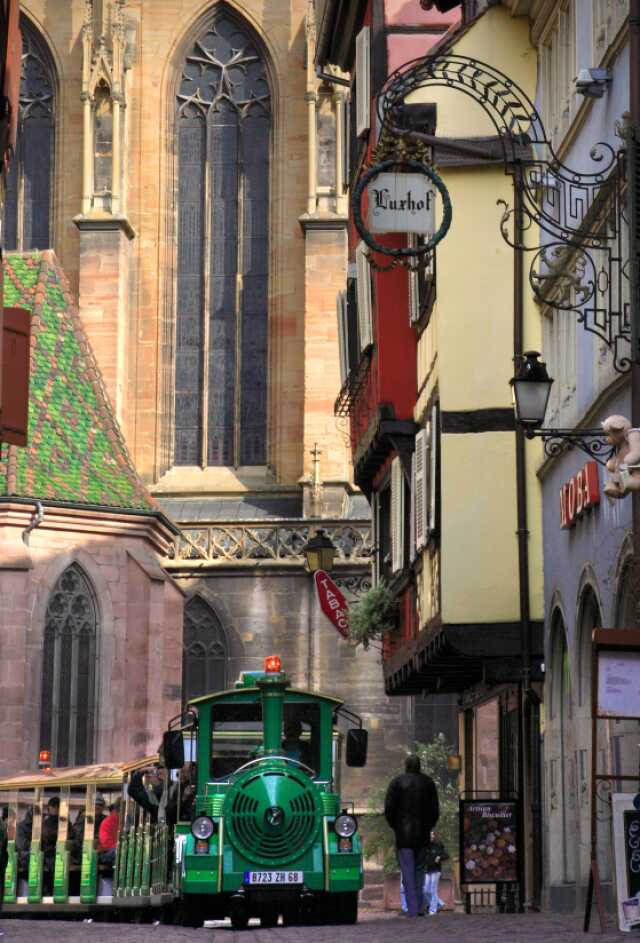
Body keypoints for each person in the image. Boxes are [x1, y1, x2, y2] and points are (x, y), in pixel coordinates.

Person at [384, 754, 439, 918]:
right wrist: (428, 826)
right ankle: (420, 907)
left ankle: (413, 909)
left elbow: (389, 809)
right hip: (422, 834)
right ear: (419, 765)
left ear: (406, 765)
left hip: (404, 836)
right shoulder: (428, 783)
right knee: (419, 871)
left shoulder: (396, 782)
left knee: (407, 873)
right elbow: (435, 810)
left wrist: (396, 827)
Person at [97, 798, 121, 867]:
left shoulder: (125, 821)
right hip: (106, 853)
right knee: (119, 852)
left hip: (114, 851)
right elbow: (106, 844)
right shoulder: (108, 822)